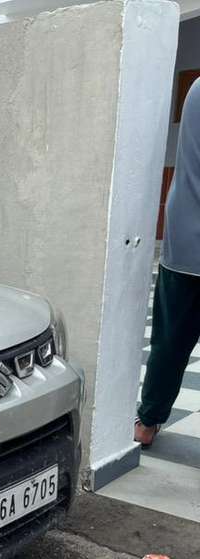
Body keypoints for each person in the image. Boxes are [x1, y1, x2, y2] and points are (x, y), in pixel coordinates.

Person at [136, 78, 200, 446]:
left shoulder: (196, 87)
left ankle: (147, 423)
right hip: (186, 243)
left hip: (183, 238)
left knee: (169, 342)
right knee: (169, 342)